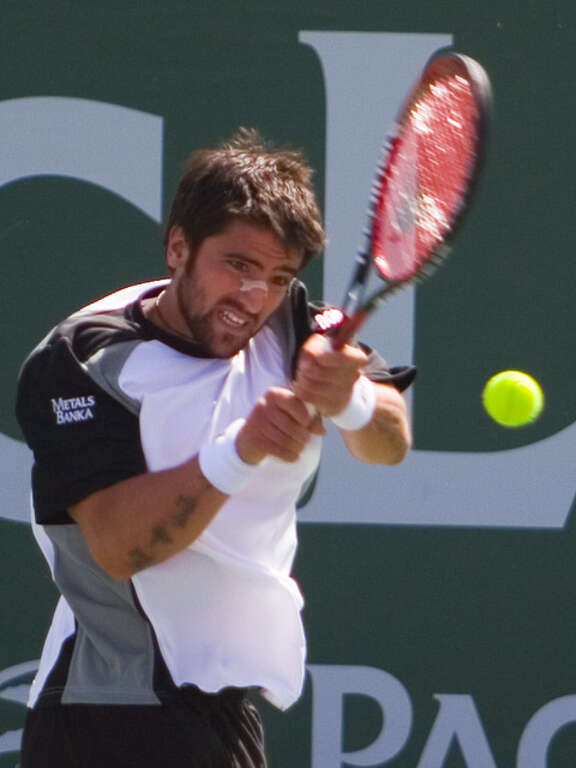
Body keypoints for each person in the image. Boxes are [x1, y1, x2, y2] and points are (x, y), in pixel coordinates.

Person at [15, 128, 413, 768]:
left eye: (279, 276)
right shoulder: (87, 358)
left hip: (224, 715)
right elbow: (119, 546)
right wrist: (242, 447)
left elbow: (389, 445)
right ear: (179, 247)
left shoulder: (297, 330)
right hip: (108, 711)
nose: (255, 298)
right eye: (239, 266)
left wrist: (353, 400)